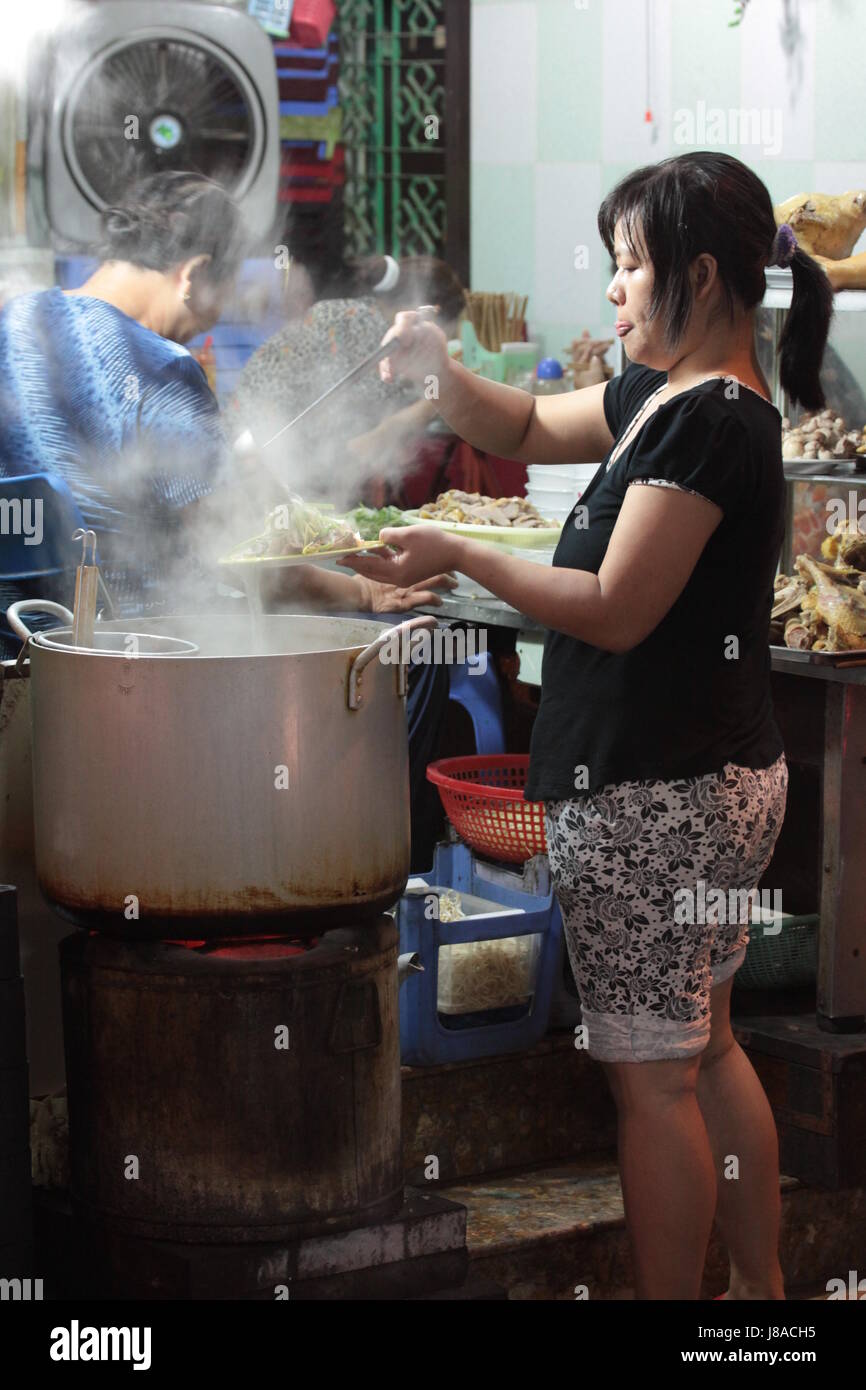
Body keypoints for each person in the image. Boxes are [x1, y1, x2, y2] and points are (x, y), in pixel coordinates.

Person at [343, 151, 834, 1300]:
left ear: (700, 277)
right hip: (708, 777)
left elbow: (615, 609)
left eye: (628, 266)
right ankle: (756, 1304)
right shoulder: (667, 397)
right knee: (702, 1046)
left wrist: (465, 552)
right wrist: (438, 367)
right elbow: (518, 417)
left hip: (658, 794)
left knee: (651, 1081)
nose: (610, 290)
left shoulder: (707, 420)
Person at [0, 173, 452, 658]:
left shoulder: (13, 320)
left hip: (16, 646)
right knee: (413, 657)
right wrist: (365, 593)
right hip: (136, 653)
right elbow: (236, 551)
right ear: (193, 274)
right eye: (218, 302)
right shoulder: (160, 366)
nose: (205, 328)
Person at [224, 254, 467, 505]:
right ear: (427, 315)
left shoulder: (359, 313)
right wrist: (438, 395)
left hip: (249, 441)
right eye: (450, 328)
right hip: (261, 454)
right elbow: (376, 438)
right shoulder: (371, 331)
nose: (446, 339)